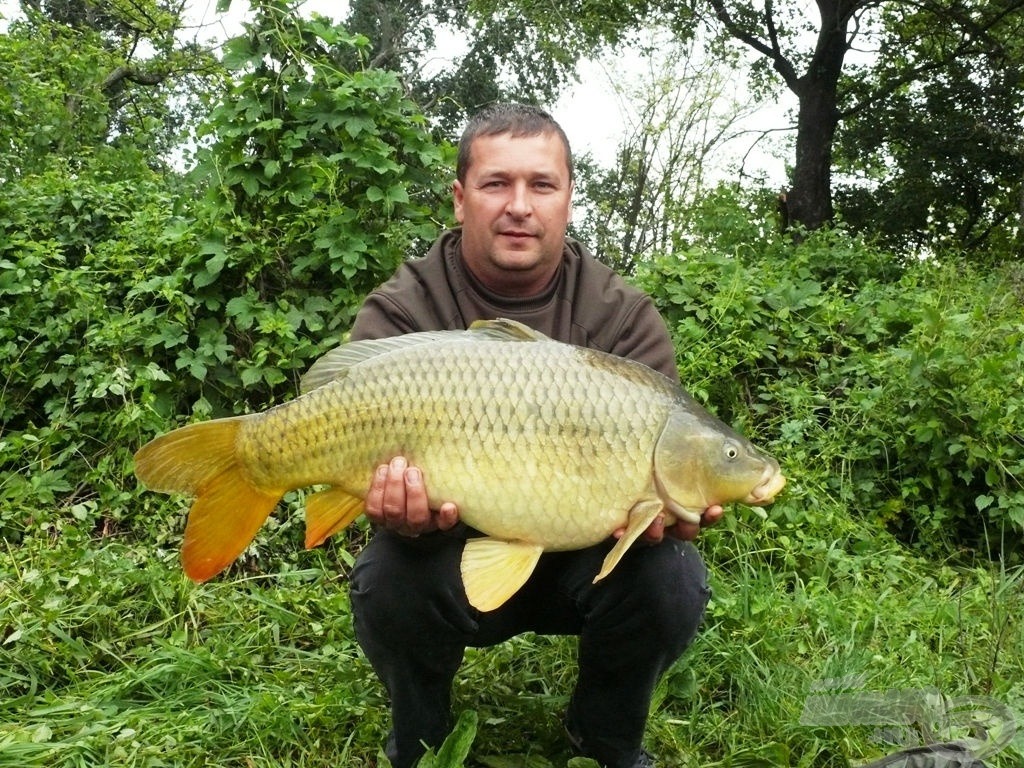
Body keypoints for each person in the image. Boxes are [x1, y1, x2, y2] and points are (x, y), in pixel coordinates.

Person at [347, 102, 722, 768]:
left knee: (671, 576)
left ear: (568, 198)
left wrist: (665, 505)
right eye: (497, 184)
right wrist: (402, 515)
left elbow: (672, 449)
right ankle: (423, 743)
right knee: (385, 578)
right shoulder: (405, 309)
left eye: (541, 185)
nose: (519, 205)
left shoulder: (622, 318)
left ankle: (603, 738)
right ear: (460, 199)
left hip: (585, 561)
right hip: (447, 550)